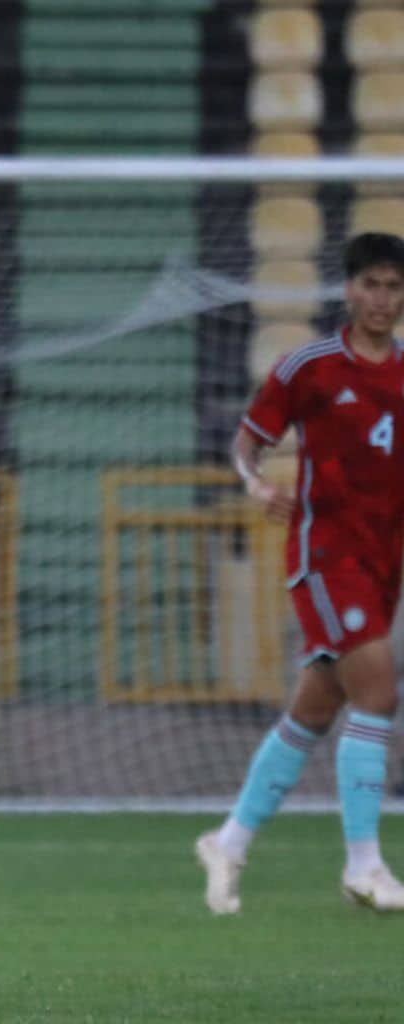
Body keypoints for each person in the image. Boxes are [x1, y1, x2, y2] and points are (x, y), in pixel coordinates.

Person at [196, 232, 404, 914]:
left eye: (394, 287)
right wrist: (255, 484)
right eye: (371, 285)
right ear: (349, 290)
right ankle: (364, 866)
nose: (382, 299)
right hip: (326, 557)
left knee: (316, 709)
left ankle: (228, 842)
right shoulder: (310, 367)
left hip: (384, 564)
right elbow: (247, 441)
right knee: (378, 692)